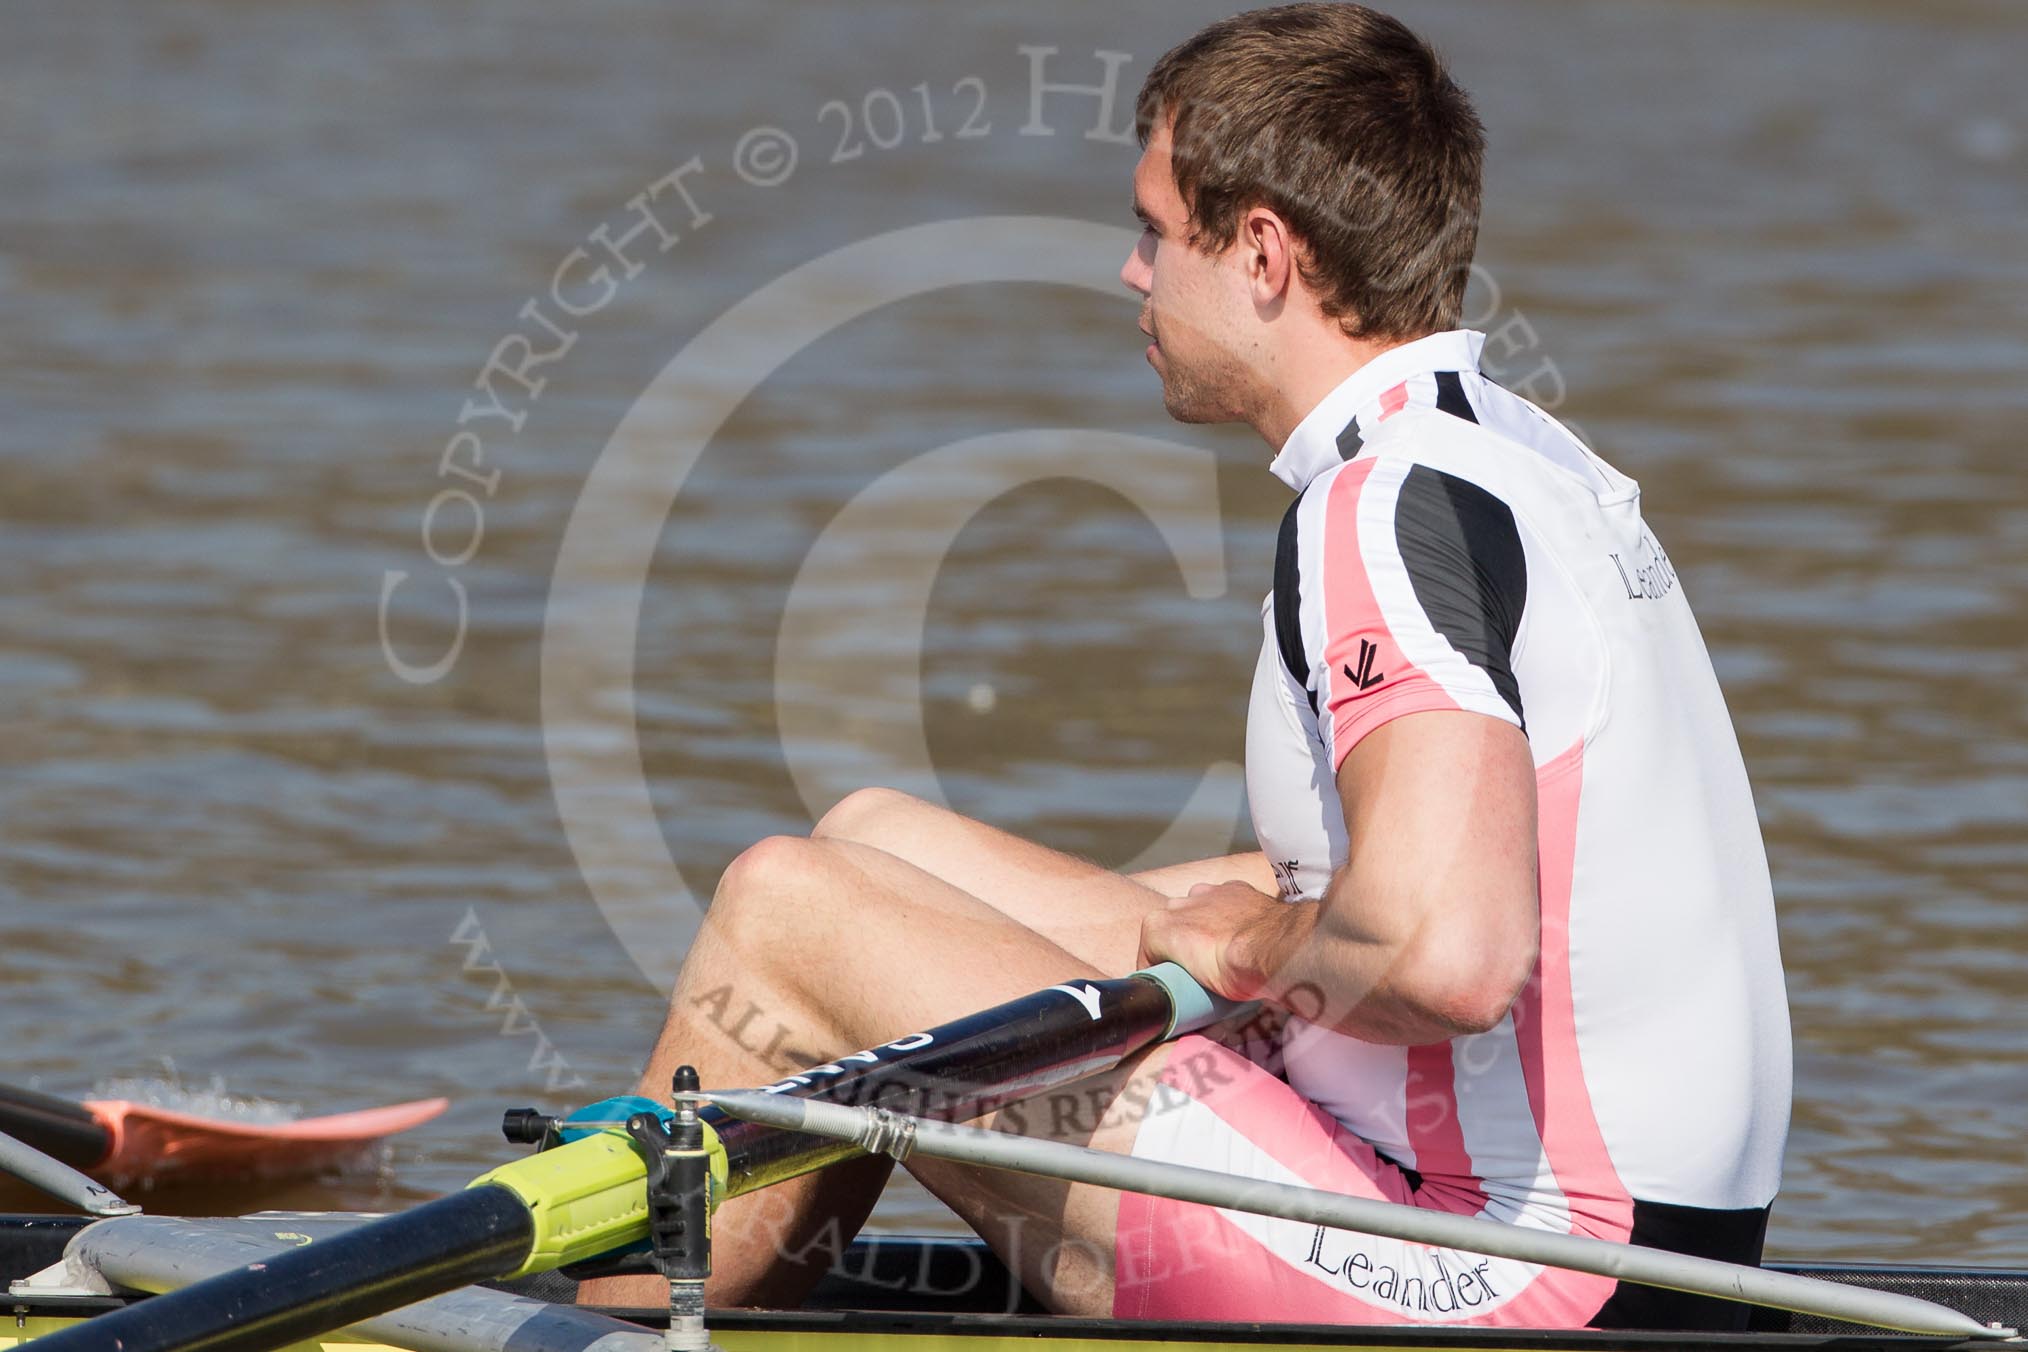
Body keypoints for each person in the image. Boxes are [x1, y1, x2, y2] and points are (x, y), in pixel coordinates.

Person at [587, 2, 1791, 1330]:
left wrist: (1260, 938)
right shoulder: (1521, 457)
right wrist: (1201, 919)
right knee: (879, 848)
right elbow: (1482, 866)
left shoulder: (1378, 509)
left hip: (1510, 1282)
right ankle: (704, 1253)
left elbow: (1447, 955)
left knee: (786, 909)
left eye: (1156, 230)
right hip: (1659, 1254)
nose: (1131, 272)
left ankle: (599, 1313)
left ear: (1265, 255)